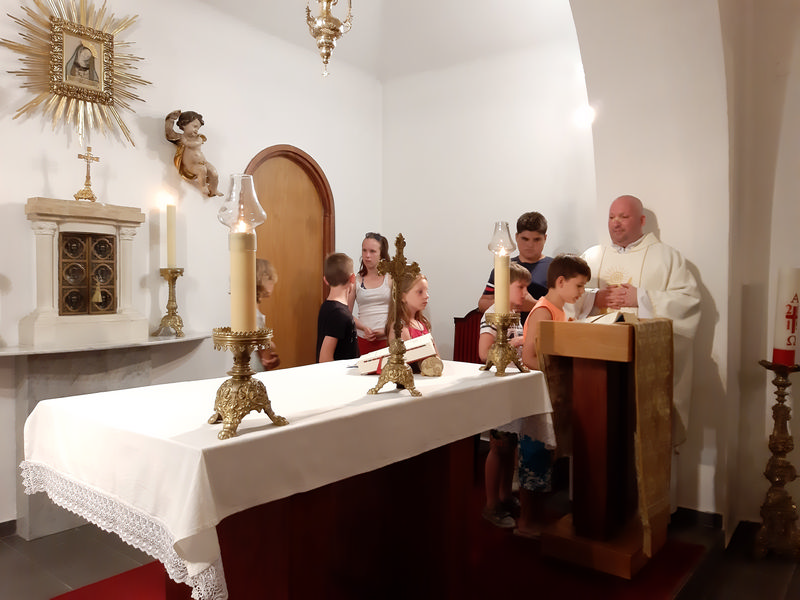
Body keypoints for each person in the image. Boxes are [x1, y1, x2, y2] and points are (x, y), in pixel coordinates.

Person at [567, 194, 701, 447]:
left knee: (636, 438)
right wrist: (594, 298)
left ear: (641, 220)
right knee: (599, 436)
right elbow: (563, 298)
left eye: (623, 216)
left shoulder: (667, 257)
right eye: (611, 217)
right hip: (595, 365)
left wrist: (641, 298)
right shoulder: (591, 257)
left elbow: (689, 301)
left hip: (642, 363)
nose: (615, 222)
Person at [516, 254, 591, 538]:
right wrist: (562, 368)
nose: (582, 292)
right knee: (533, 457)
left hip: (553, 394)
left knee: (545, 459)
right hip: (538, 395)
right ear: (560, 282)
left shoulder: (561, 311)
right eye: (579, 285)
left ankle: (536, 517)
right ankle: (525, 522)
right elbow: (529, 357)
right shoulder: (543, 311)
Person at [478, 262, 531, 528]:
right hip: (497, 387)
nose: (525, 294)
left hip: (512, 387)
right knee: (498, 448)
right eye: (521, 287)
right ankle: (490, 504)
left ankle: (505, 496)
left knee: (510, 447)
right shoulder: (493, 313)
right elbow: (484, 353)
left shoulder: (514, 314)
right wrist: (518, 342)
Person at [478, 212, 553, 323]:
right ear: (516, 237)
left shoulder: (555, 268)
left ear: (545, 238)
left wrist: (534, 305)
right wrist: (511, 303)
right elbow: (483, 304)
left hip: (543, 330)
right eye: (525, 239)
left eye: (536, 239)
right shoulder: (504, 266)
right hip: (507, 330)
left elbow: (566, 309)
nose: (530, 245)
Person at [349, 232, 392, 355]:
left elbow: (402, 312)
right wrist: (363, 328)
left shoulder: (391, 278)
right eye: (364, 250)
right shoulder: (356, 280)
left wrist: (386, 330)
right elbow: (346, 313)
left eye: (372, 251)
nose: (367, 255)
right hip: (364, 339)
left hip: (388, 338)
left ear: (381, 254)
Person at [164, 110, 223, 197]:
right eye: (195, 126)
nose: (196, 130)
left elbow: (194, 144)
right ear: (184, 124)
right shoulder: (181, 138)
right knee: (202, 170)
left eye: (198, 128)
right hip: (191, 165)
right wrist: (171, 119)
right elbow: (169, 133)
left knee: (214, 173)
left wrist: (186, 142)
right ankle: (203, 187)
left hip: (204, 162)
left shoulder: (198, 138)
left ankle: (214, 190)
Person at [316, 253, 359, 362]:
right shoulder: (339, 314)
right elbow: (325, 359)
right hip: (340, 373)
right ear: (352, 278)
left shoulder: (327, 307)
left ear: (325, 280)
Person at [252, 259, 280, 372]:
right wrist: (271, 345)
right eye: (271, 280)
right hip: (255, 369)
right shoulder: (254, 315)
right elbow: (267, 358)